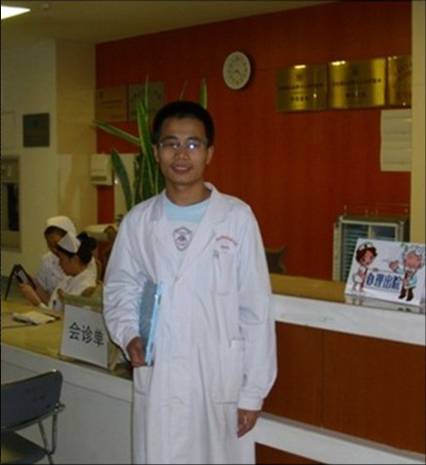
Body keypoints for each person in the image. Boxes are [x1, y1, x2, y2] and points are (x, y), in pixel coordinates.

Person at [103, 100, 277, 464]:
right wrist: (128, 335)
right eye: (171, 144)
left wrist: (252, 393)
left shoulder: (237, 217)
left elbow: (256, 308)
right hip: (160, 376)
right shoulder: (139, 221)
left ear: (209, 153)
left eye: (193, 144)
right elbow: (119, 288)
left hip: (217, 381)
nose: (182, 154)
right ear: (156, 152)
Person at [19, 231, 98, 311]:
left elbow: (63, 317)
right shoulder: (69, 279)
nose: (59, 264)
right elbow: (52, 305)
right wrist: (37, 287)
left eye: (61, 259)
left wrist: (37, 303)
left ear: (75, 259)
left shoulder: (85, 287)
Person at [31, 216, 98, 298]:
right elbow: (53, 300)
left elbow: (70, 303)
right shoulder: (67, 279)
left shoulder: (84, 274)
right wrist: (34, 286)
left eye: (57, 244)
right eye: (50, 245)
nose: (54, 249)